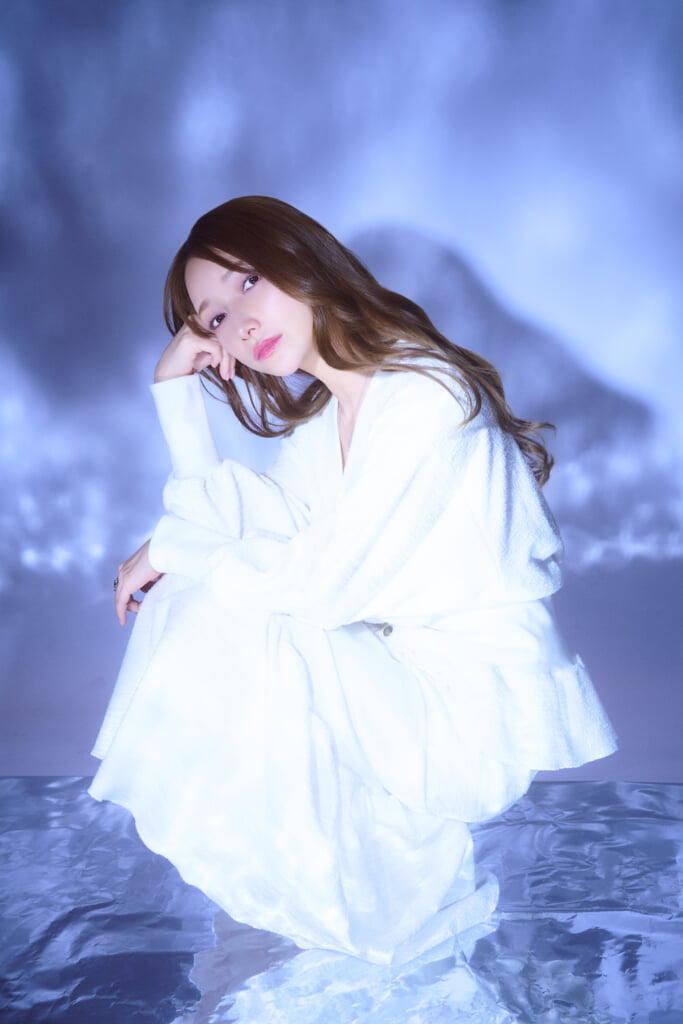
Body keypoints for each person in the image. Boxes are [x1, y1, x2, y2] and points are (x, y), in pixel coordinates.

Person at [89, 196, 617, 965]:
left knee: (228, 595)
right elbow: (248, 526)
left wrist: (180, 550)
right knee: (210, 582)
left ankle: (303, 885)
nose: (241, 324)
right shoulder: (328, 419)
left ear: (301, 257)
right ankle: (299, 883)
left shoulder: (424, 394)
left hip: (463, 725)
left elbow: (318, 585)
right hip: (399, 686)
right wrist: (175, 395)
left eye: (247, 281)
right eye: (214, 320)